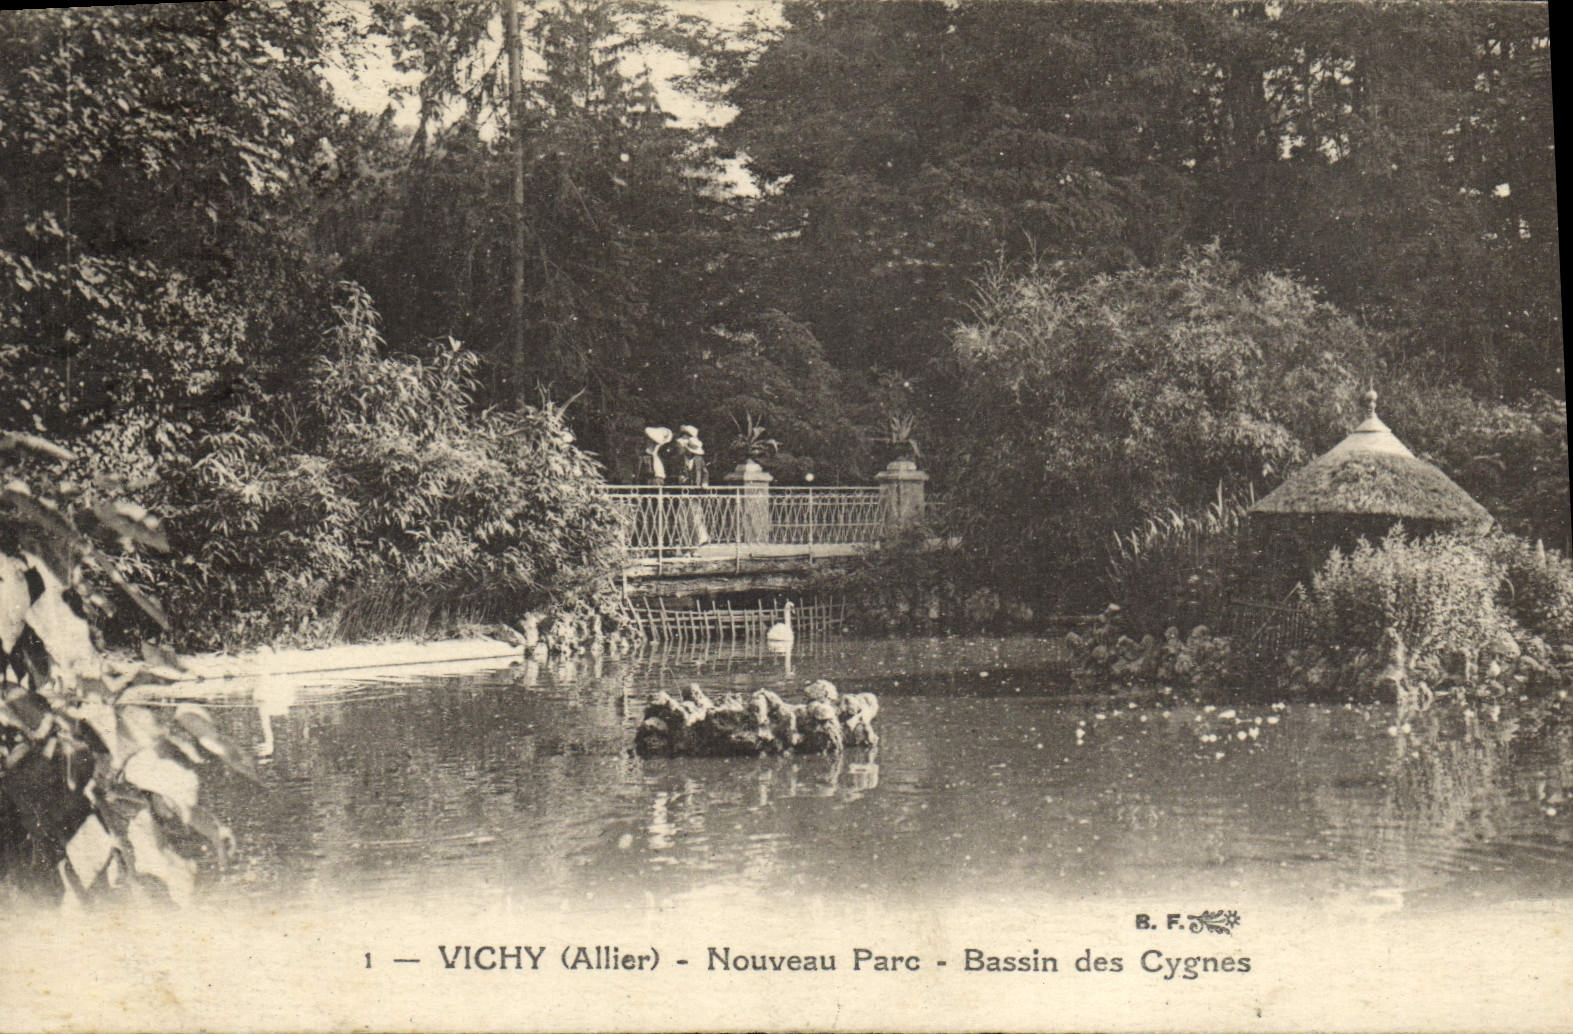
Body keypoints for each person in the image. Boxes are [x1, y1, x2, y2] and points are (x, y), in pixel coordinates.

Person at [673, 425, 711, 547]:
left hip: (695, 491)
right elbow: (676, 472)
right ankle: (687, 542)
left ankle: (699, 539)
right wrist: (680, 479)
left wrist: (704, 483)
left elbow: (705, 472)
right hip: (683, 491)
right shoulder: (680, 459)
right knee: (683, 516)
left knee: (695, 515)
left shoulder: (699, 459)